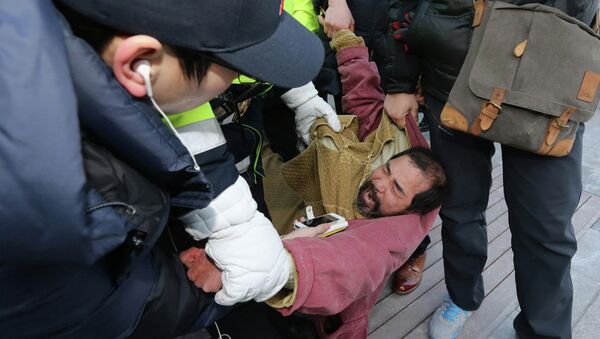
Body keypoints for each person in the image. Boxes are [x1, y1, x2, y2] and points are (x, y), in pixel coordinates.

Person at [0, 0, 325, 337]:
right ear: (141, 64)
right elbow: (126, 304)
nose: (234, 83)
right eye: (231, 64)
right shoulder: (58, 209)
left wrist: (234, 221)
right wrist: (257, 272)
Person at [382, 1, 599, 338]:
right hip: (455, 75)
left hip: (554, 86)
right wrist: (401, 82)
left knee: (547, 230)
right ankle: (462, 296)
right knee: (459, 211)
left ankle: (543, 332)